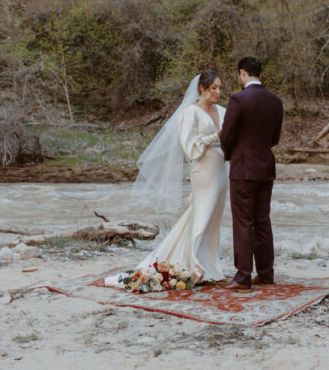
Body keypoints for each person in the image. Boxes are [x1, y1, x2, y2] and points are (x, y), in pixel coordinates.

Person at [108, 69, 228, 287]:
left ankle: (209, 265)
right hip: (203, 172)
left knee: (212, 220)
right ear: (202, 88)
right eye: (214, 88)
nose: (218, 92)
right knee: (201, 217)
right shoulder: (190, 113)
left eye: (220, 88)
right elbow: (190, 147)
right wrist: (215, 136)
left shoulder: (222, 110)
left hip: (222, 170)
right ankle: (194, 267)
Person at [218, 56, 283, 291]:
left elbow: (226, 135)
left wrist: (230, 155)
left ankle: (243, 276)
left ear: (242, 73)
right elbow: (274, 138)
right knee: (262, 220)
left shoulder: (238, 99)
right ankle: (266, 274)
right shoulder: (275, 101)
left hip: (243, 167)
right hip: (266, 167)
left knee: (244, 221)